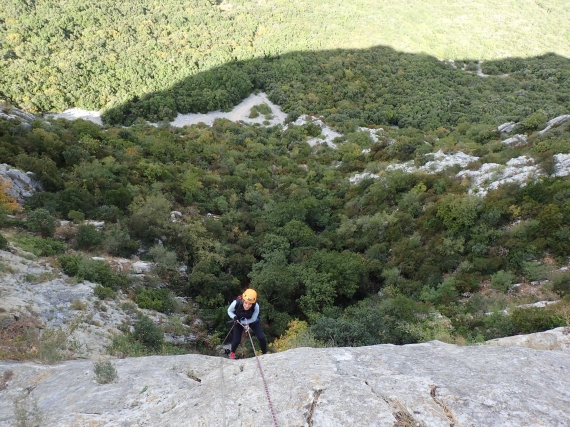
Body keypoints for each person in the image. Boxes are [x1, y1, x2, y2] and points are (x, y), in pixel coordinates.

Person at [227, 288, 267, 359]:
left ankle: (265, 353)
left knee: (261, 337)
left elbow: (253, 319)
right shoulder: (236, 303)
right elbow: (229, 311)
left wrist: (242, 322)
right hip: (238, 320)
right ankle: (232, 353)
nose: (247, 306)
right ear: (243, 300)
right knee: (236, 341)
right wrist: (234, 317)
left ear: (253, 303)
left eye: (250, 304)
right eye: (246, 303)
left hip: (251, 321)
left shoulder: (256, 306)